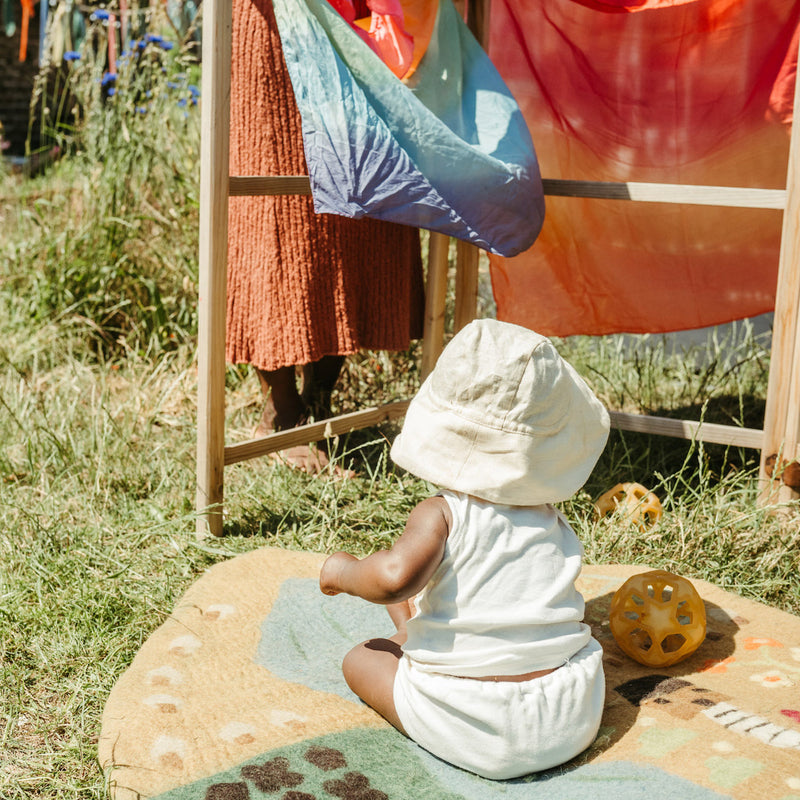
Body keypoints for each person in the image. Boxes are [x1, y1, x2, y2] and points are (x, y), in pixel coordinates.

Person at [319, 318, 610, 779]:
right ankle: (418, 637)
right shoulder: (549, 516)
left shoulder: (441, 512)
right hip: (569, 711)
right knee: (430, 602)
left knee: (362, 658)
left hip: (477, 722)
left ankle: (411, 649)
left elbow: (394, 577)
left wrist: (344, 571)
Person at [227, 0, 425, 473]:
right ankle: (281, 413)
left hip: (359, 22)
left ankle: (320, 400)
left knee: (357, 211)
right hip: (273, 24)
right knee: (280, 210)